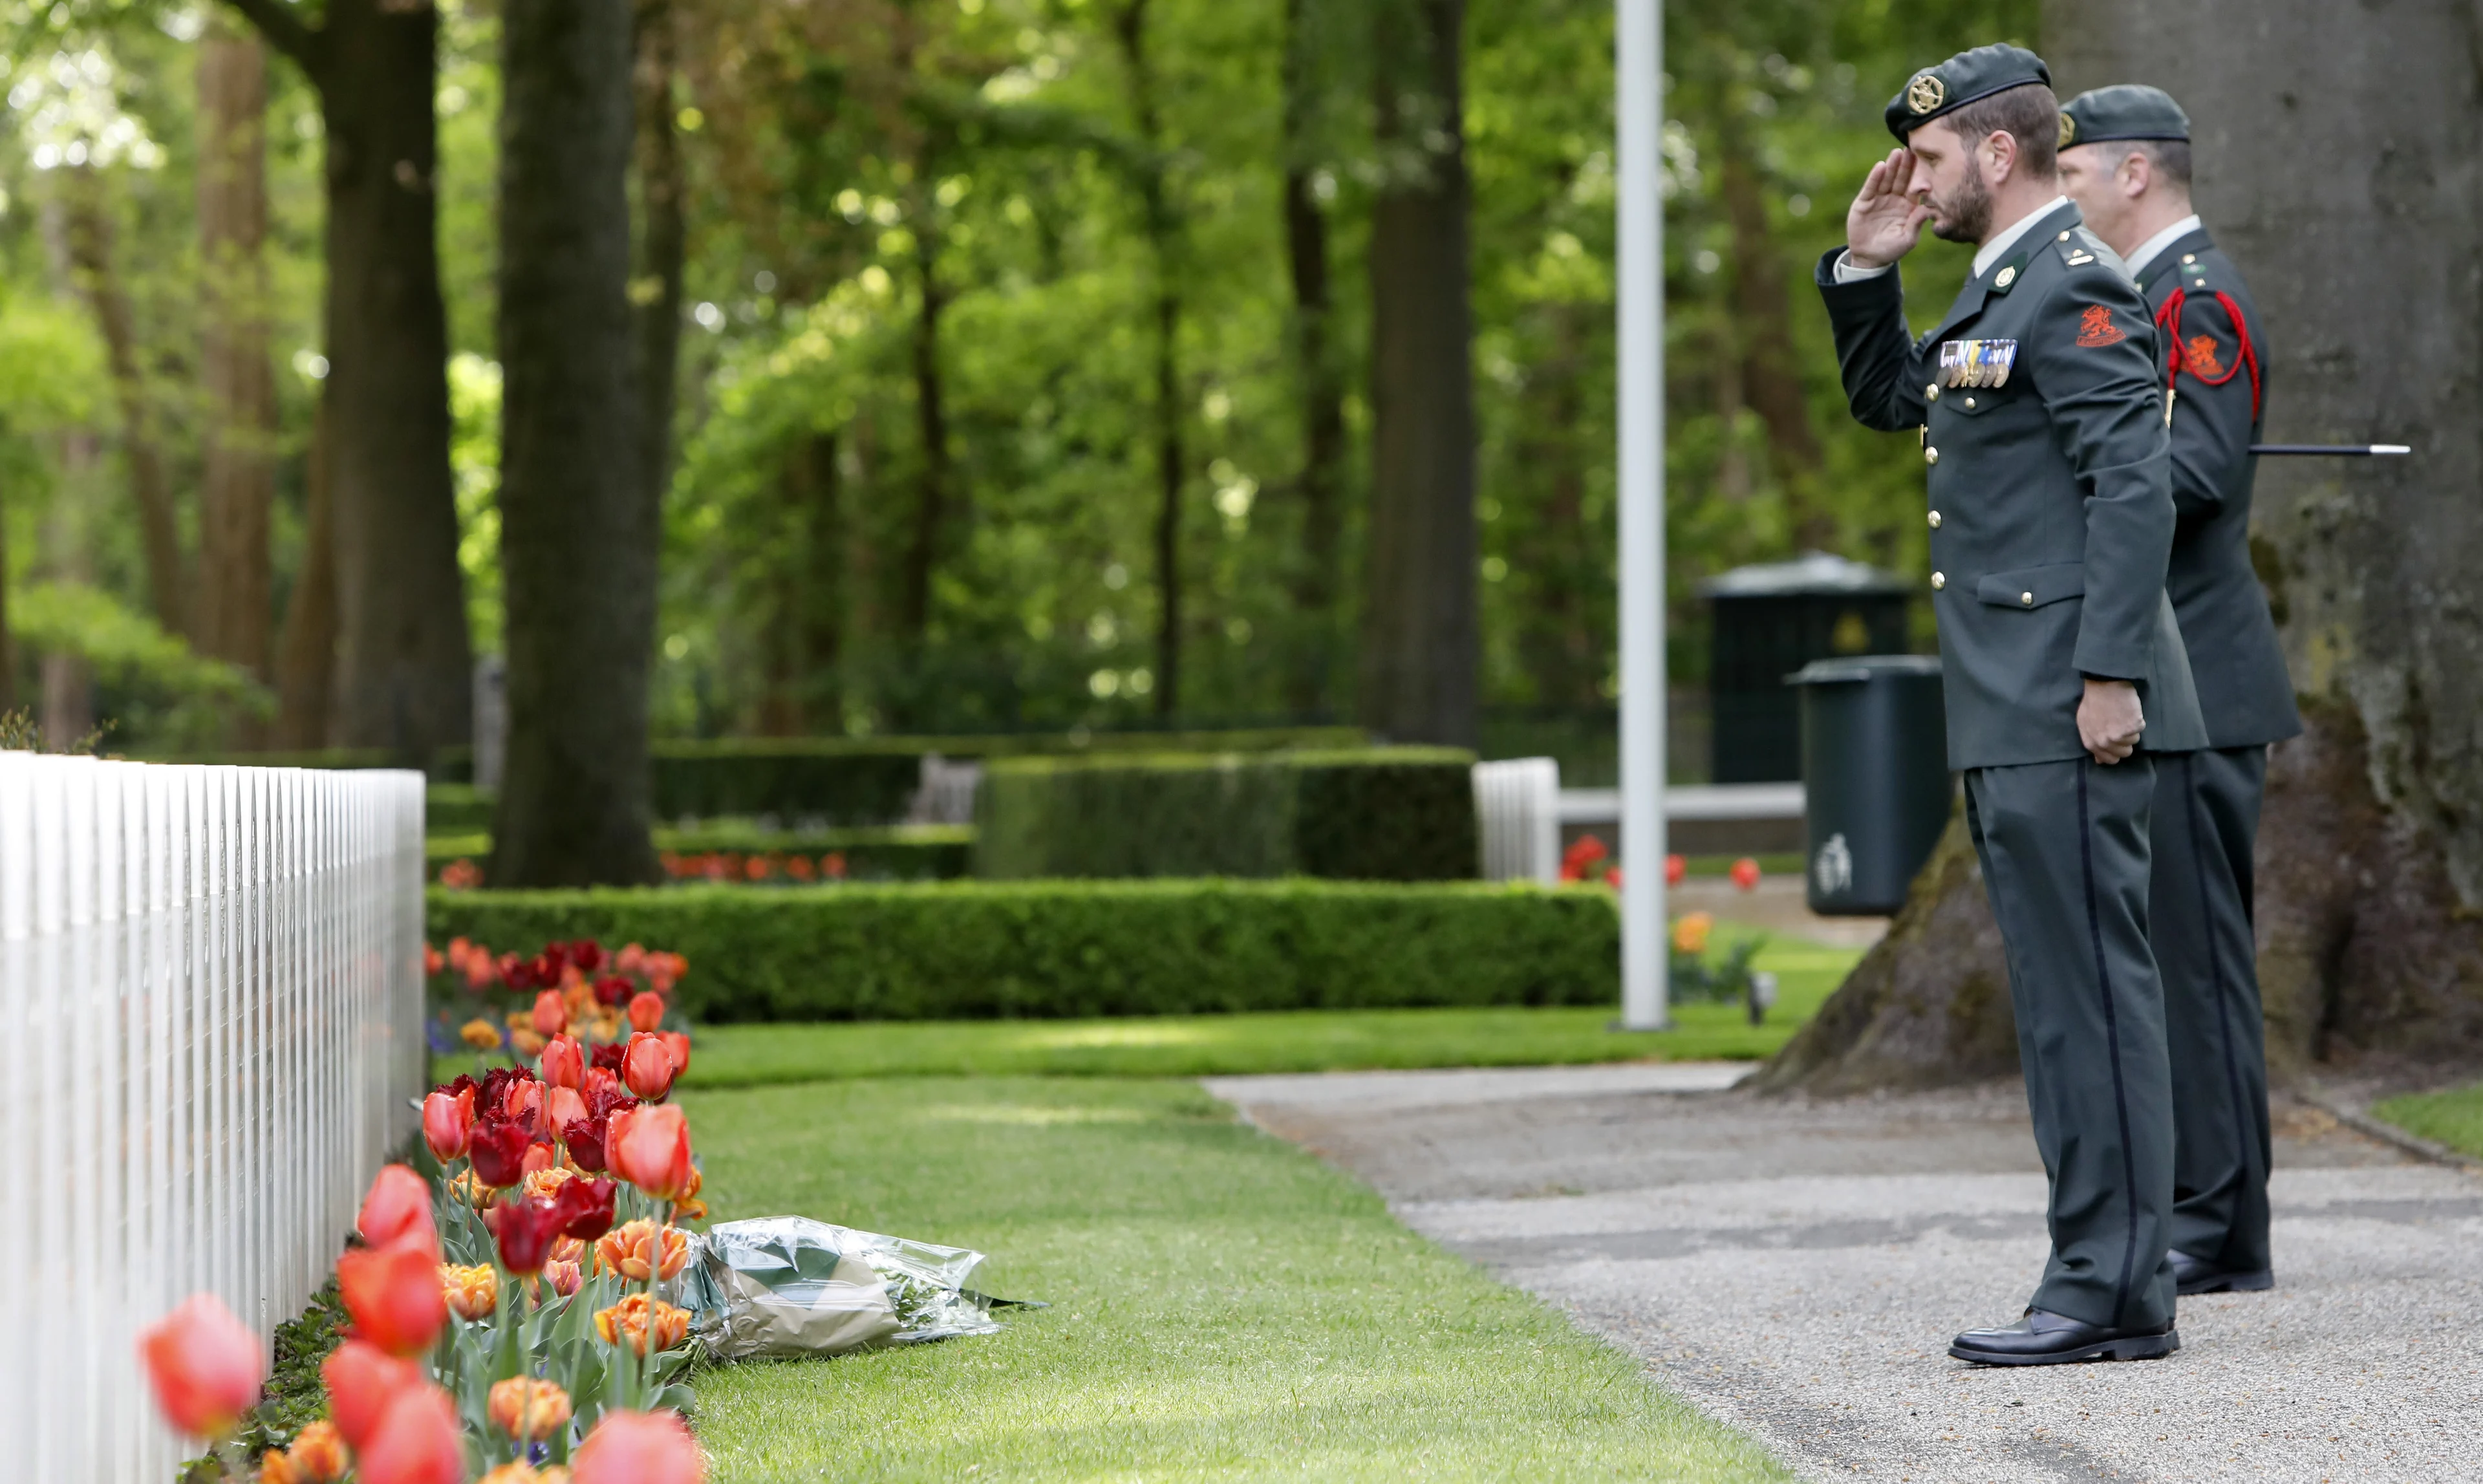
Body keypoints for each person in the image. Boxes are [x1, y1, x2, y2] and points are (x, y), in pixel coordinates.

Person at [1817, 43, 2209, 1366]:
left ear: (1997, 151)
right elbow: (1897, 399)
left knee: (2091, 995)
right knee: (2058, 996)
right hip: (2012, 699)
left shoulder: (2074, 284)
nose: (1911, 180)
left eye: (1928, 159)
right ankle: (2107, 1279)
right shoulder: (2003, 284)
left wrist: (2110, 676)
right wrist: (1866, 268)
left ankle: (2108, 1284)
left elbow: (2133, 484)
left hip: (2063, 700)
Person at [2059, 84, 2297, 1298]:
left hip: (2203, 668)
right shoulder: (2139, 295)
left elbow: (2196, 473)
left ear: (2135, 172)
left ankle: (2220, 1219)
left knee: (2200, 969)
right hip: (2180, 668)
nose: (2064, 194)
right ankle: (2212, 1210)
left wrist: (2079, 475)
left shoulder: (2192, 299)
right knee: (2182, 958)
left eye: (2074, 172)